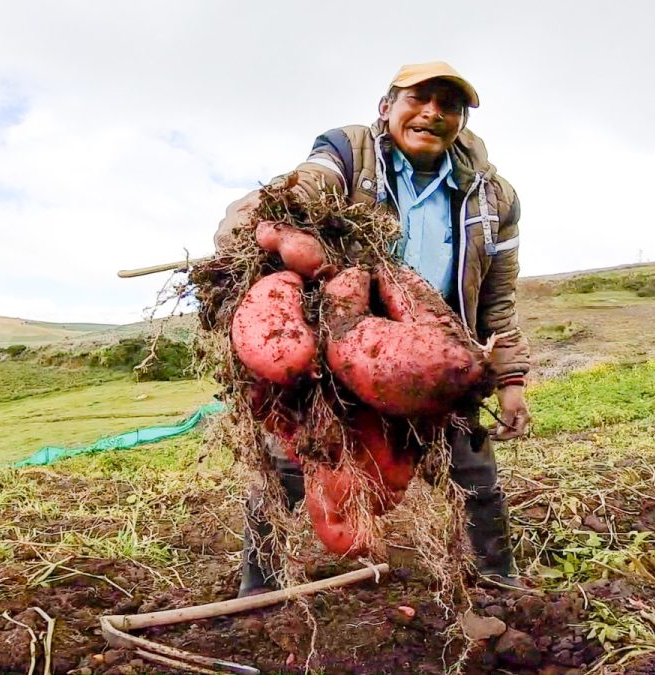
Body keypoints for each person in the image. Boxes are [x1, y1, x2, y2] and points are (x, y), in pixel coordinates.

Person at [214, 62, 532, 596]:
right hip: (340, 343)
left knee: (474, 472)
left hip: (434, 353)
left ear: (460, 121)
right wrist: (270, 221)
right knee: (292, 462)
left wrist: (511, 379)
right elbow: (309, 183)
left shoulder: (493, 197)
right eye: (419, 99)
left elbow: (498, 297)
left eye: (447, 105)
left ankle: (497, 582)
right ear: (387, 108)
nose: (432, 113)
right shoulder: (348, 153)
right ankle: (260, 587)